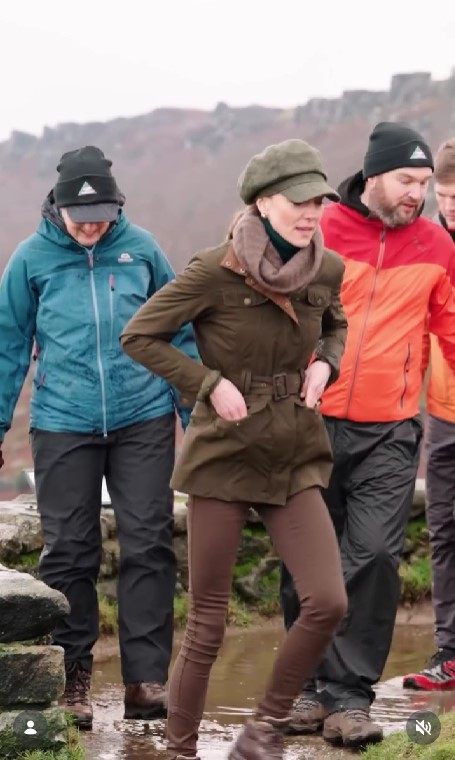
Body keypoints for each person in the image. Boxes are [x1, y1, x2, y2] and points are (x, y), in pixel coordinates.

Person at [121, 138, 348, 760]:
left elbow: (336, 323)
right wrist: (207, 383)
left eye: (319, 202)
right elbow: (140, 335)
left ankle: (263, 730)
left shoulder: (326, 268)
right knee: (208, 621)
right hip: (223, 453)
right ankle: (180, 749)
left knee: (327, 601)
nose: (312, 214)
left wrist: (326, 363)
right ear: (264, 202)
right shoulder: (212, 271)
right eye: (299, 202)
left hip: (294, 450)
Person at [0, 146, 198, 729]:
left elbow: (180, 333)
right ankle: (72, 679)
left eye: (102, 216)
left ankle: (145, 681)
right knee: (69, 551)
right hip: (63, 421)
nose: (91, 226)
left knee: (149, 542)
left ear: (117, 207)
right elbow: (8, 346)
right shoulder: (31, 260)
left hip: (143, 416)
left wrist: (195, 415)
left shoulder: (143, 250)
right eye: (80, 216)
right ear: (57, 207)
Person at [280, 122, 455, 747]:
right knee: (307, 559)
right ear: (374, 175)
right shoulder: (323, 229)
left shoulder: (436, 244)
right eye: (407, 180)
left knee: (375, 555)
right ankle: (306, 688)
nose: (417, 194)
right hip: (312, 420)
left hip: (391, 428)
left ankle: (349, 696)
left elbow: (451, 328)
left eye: (424, 183)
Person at [403, 138, 455, 690]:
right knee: (443, 533)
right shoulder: (427, 244)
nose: (450, 206)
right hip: (442, 411)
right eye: (443, 195)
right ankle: (450, 654)